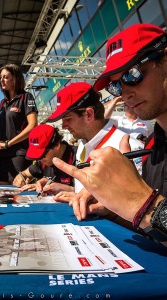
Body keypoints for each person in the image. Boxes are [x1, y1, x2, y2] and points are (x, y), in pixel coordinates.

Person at [53, 23, 167, 246]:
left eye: (132, 74)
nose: (125, 93)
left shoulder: (137, 145)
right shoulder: (153, 146)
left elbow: (149, 211)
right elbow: (155, 234)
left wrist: (143, 204)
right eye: (116, 86)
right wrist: (115, 206)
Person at [44, 82, 143, 196]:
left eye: (68, 119)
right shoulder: (83, 144)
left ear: (89, 115)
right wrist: (69, 190)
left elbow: (138, 202)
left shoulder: (130, 148)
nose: (63, 126)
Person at [0, 63, 38, 184]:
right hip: (3, 156)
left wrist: (9, 143)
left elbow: (33, 126)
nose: (2, 80)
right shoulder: (3, 103)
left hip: (19, 154)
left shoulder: (26, 97)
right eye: (1, 77)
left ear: (16, 78)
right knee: (2, 194)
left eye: (6, 77)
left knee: (17, 193)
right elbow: (0, 132)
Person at [18, 124, 75, 192]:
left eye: (42, 155)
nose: (40, 159)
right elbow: (24, 174)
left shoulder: (78, 157)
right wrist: (22, 179)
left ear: (56, 145)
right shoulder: (42, 161)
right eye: (37, 156)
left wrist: (65, 188)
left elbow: (87, 191)